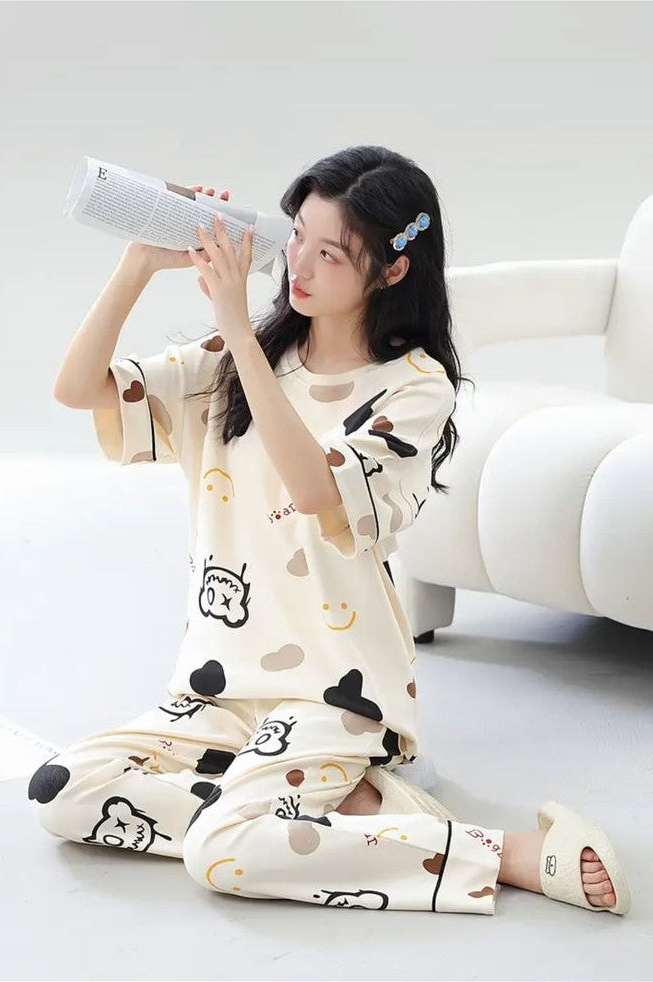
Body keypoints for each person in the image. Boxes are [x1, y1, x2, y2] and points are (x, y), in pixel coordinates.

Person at [31, 146, 629, 916]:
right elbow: (77, 388)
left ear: (391, 271)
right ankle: (342, 815)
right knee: (63, 792)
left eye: (330, 254)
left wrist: (237, 333)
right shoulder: (238, 359)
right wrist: (139, 265)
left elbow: (314, 488)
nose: (298, 265)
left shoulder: (414, 389)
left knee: (222, 856)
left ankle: (501, 853)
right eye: (297, 237)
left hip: (335, 688)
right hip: (219, 685)